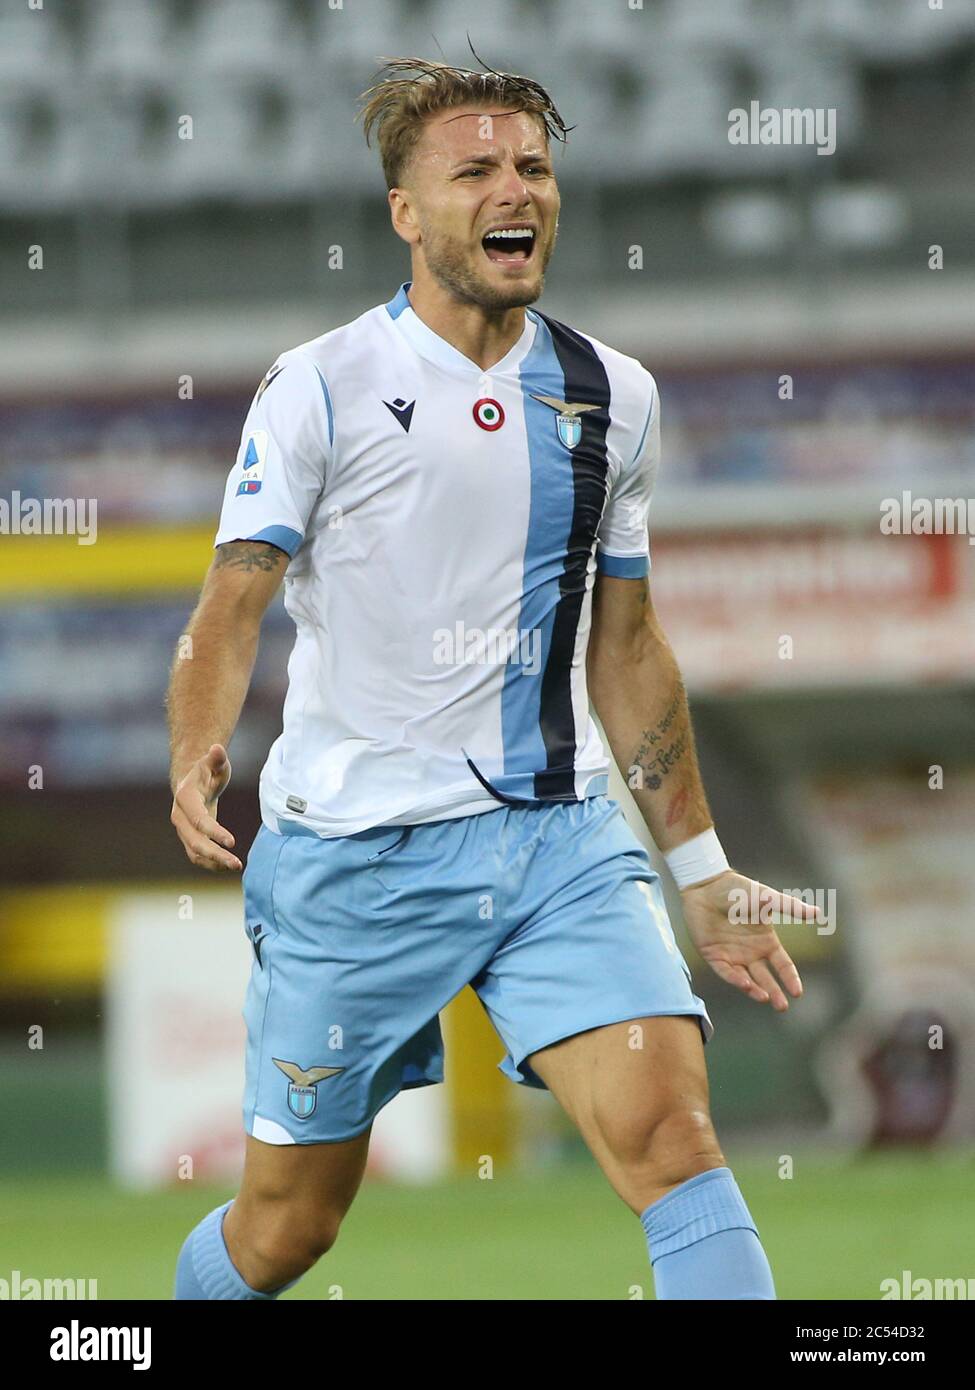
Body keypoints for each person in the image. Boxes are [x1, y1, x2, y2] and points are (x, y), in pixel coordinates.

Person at [167, 57, 816, 1301]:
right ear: (407, 213)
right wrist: (197, 742)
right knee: (285, 1230)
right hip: (356, 858)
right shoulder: (319, 386)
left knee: (672, 1143)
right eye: (475, 170)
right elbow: (230, 604)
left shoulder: (613, 395)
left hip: (557, 842)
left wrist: (701, 867)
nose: (514, 190)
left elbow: (626, 648)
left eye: (532, 167)